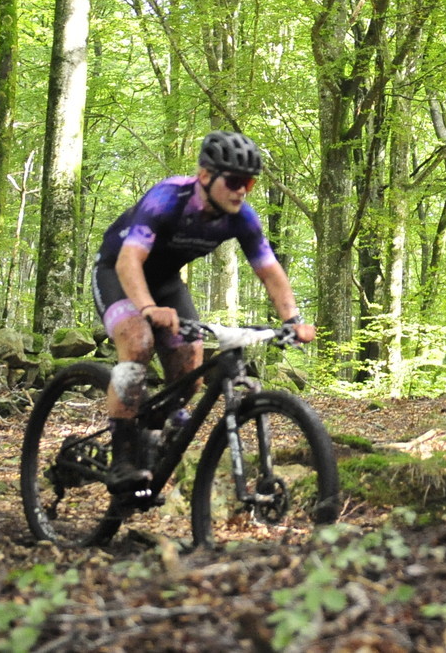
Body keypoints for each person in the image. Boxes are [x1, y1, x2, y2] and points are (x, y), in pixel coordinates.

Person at [92, 131, 316, 488]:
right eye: (235, 181)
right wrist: (148, 307)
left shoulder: (242, 217)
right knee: (137, 342)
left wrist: (293, 320)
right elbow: (128, 260)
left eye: (249, 183)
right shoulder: (167, 198)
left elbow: (270, 271)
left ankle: (152, 431)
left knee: (191, 368)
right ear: (205, 175)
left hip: (166, 282)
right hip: (118, 271)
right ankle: (121, 457)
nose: (242, 191)